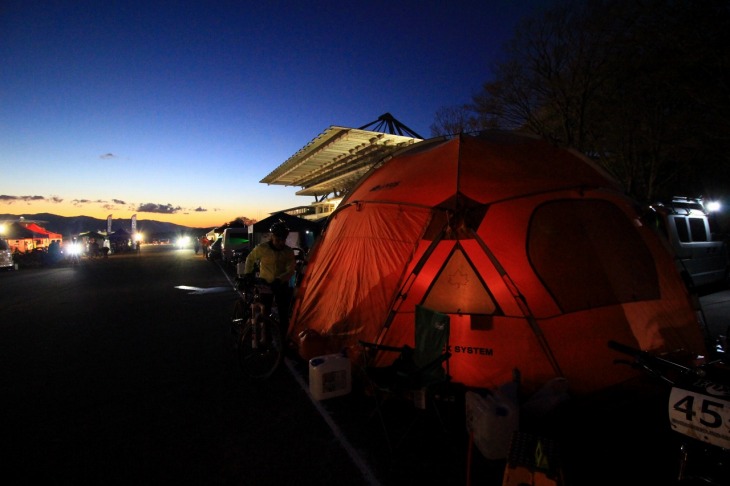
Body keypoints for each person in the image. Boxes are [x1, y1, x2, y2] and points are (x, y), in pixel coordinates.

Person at [241, 222, 296, 339]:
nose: (281, 243)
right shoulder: (262, 248)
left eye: (283, 240)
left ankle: (283, 339)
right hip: (265, 284)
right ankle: (266, 337)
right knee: (265, 311)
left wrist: (280, 279)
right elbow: (250, 259)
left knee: (283, 314)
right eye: (278, 239)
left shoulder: (288, 251)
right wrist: (248, 274)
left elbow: (291, 270)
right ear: (272, 237)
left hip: (280, 284)